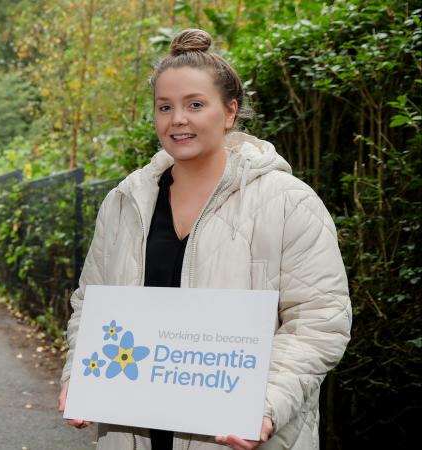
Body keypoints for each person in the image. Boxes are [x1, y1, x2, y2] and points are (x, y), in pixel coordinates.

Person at [57, 29, 351, 450]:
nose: (178, 119)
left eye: (195, 104)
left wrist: (263, 406)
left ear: (229, 112)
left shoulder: (288, 203)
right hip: (133, 434)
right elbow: (90, 303)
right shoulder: (124, 203)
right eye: (165, 107)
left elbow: (320, 322)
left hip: (237, 436)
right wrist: (79, 378)